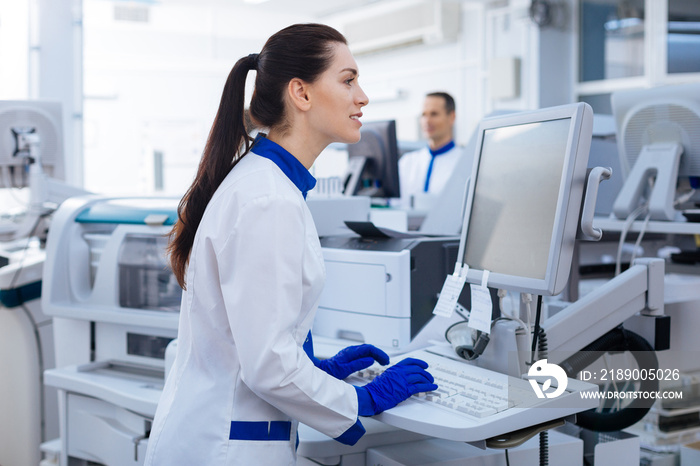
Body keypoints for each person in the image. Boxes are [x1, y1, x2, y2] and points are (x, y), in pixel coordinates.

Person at [144, 23, 437, 465]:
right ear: (301, 94)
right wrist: (361, 400)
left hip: (215, 434)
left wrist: (318, 371)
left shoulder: (265, 183)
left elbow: (254, 342)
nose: (362, 97)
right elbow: (268, 364)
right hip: (224, 448)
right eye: (348, 80)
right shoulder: (268, 199)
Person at [399, 92, 464, 207]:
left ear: (452, 117)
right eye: (424, 114)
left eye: (434, 114)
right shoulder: (407, 162)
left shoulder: (465, 161)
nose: (427, 121)